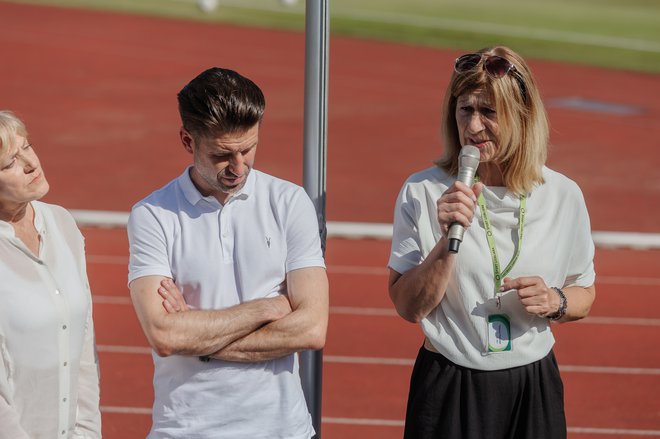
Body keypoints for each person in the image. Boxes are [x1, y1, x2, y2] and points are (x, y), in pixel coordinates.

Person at [388, 46, 596, 439]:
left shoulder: (563, 195)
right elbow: (408, 306)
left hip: (532, 387)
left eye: (489, 113)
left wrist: (557, 301)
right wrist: (446, 242)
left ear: (523, 116)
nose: (474, 126)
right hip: (450, 383)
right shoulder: (423, 190)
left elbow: (584, 291)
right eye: (465, 109)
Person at [128, 67, 329, 438]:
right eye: (222, 155)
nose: (239, 167)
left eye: (248, 149)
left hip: (282, 429)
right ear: (188, 141)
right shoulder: (152, 215)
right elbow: (165, 335)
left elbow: (313, 328)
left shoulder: (289, 202)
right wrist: (268, 309)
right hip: (185, 429)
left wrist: (198, 334)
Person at [0, 110, 101, 438]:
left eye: (27, 147)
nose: (30, 164)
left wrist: (87, 432)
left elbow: (83, 345)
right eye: (9, 163)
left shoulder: (62, 224)